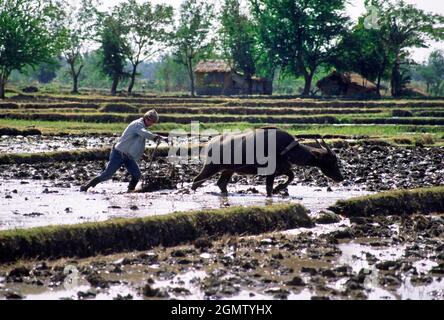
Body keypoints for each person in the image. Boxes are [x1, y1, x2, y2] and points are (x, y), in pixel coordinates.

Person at [80, 109, 166, 192]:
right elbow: (144, 133)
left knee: (137, 175)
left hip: (129, 156)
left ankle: (130, 191)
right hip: (118, 153)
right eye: (152, 122)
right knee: (107, 175)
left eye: (154, 123)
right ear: (147, 118)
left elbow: (136, 143)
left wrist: (141, 155)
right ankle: (86, 186)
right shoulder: (137, 125)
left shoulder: (143, 127)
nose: (152, 124)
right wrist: (156, 137)